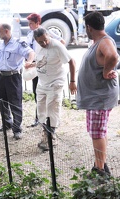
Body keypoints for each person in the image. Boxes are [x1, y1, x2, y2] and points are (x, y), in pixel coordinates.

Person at [76, 11, 119, 177]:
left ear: (89, 27)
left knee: (97, 133)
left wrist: (106, 71)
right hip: (95, 97)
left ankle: (100, 171)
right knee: (98, 132)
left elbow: (113, 56)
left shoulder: (104, 41)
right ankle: (100, 164)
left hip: (100, 97)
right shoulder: (98, 41)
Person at [31, 27, 76, 151]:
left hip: (55, 82)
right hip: (42, 83)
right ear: (36, 40)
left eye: (45, 40)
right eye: (40, 42)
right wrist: (32, 65)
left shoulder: (57, 46)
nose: (44, 43)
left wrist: (72, 81)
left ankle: (51, 137)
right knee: (41, 110)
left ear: (48, 36)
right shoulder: (38, 46)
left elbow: (72, 62)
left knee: (52, 109)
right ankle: (46, 133)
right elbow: (42, 60)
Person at [0, 23, 35, 140]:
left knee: (15, 103)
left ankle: (17, 129)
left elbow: (30, 52)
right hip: (1, 76)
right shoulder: (0, 45)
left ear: (6, 31)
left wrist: (29, 61)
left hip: (13, 77)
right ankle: (7, 123)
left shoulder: (18, 44)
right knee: (1, 101)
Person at [26, 13, 66, 127]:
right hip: (37, 66)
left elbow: (61, 41)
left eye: (31, 24)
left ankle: (52, 120)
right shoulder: (30, 34)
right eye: (28, 24)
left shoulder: (45, 31)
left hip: (48, 67)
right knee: (37, 93)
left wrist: (54, 53)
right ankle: (39, 118)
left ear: (37, 23)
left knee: (51, 97)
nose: (29, 26)